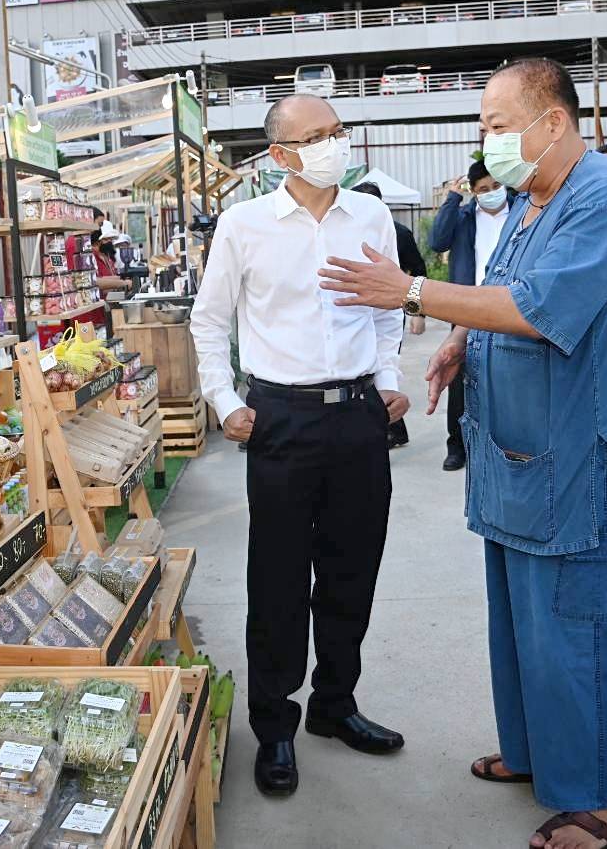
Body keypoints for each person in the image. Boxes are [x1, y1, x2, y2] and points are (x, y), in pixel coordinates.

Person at [319, 58, 607, 849]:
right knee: (523, 624)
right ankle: (541, 753)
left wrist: (410, 292)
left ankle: (605, 803)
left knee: (580, 625)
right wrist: (460, 341)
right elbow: (500, 287)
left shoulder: (603, 200)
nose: (488, 141)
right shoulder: (535, 201)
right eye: (484, 128)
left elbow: (540, 308)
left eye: (498, 126)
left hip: (580, 457)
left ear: (553, 122)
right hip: (522, 455)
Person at [191, 93, 408, 800]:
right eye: (315, 136)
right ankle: (274, 725)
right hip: (279, 416)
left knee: (352, 571)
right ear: (280, 155)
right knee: (278, 581)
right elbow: (208, 320)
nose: (332, 145)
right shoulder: (244, 224)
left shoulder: (370, 214)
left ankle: (334, 704)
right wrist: (225, 401)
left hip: (355, 416)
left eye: (337, 132)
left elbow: (386, 311)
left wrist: (387, 379)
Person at [427, 160, 509, 471]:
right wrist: (451, 198)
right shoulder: (463, 217)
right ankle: (457, 445)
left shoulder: (521, 212)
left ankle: (502, 444)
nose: (491, 193)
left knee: (508, 377)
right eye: (483, 190)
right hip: (468, 307)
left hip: (510, 303)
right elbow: (437, 241)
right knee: (460, 379)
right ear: (473, 192)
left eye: (496, 186)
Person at [354, 181, 425, 449]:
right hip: (356, 317)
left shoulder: (398, 233)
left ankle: (391, 426)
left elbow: (417, 268)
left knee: (383, 369)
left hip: (388, 312)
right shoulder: (342, 232)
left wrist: (419, 312)